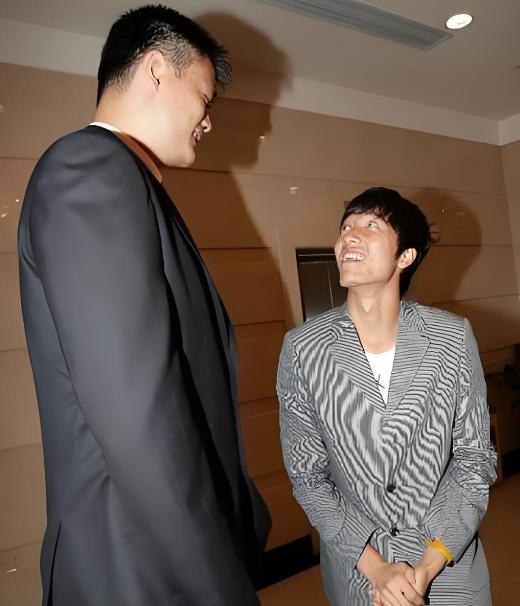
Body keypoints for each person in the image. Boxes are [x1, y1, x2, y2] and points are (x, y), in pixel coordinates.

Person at [18, 5, 270, 605]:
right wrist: (219, 586)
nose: (208, 119)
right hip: (134, 565)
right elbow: (139, 413)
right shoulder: (90, 168)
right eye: (204, 96)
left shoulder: (124, 181)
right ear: (157, 69)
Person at [277, 187, 496, 605]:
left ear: (405, 256)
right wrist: (377, 568)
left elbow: (474, 460)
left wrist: (425, 568)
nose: (349, 235)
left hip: (447, 571)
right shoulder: (303, 348)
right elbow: (308, 475)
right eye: (346, 226)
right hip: (359, 576)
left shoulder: (451, 337)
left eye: (370, 225)